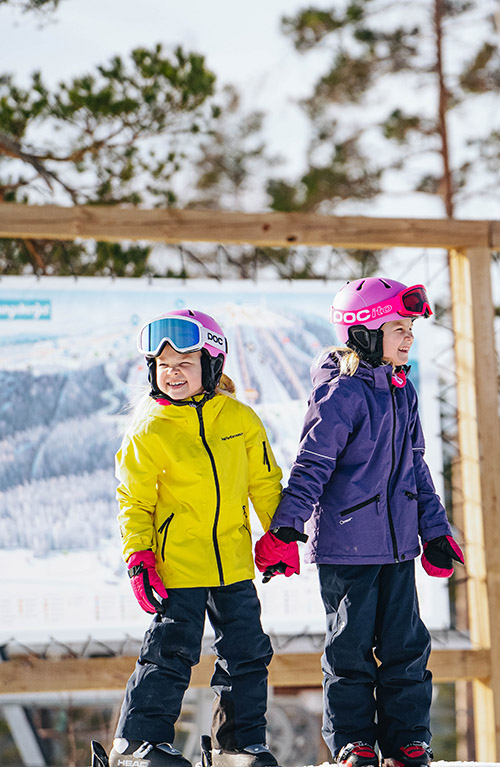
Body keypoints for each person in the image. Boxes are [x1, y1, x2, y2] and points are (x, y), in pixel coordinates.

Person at [255, 278, 463, 767]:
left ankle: (408, 738)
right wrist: (287, 527)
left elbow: (416, 467)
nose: (408, 337)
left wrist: (434, 531)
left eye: (411, 328)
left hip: (397, 549)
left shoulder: (402, 390)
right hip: (348, 547)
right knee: (349, 649)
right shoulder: (340, 393)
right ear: (364, 332)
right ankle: (354, 740)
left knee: (407, 646)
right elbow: (312, 464)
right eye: (398, 328)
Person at [112, 310, 284, 767]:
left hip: (233, 564)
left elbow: (264, 482)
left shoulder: (241, 419)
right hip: (177, 567)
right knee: (169, 654)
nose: (172, 374)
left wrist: (278, 534)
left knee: (246, 655)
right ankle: (138, 744)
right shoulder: (149, 431)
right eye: (163, 366)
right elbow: (134, 503)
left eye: (184, 364)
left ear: (212, 365)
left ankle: (239, 745)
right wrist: (139, 557)